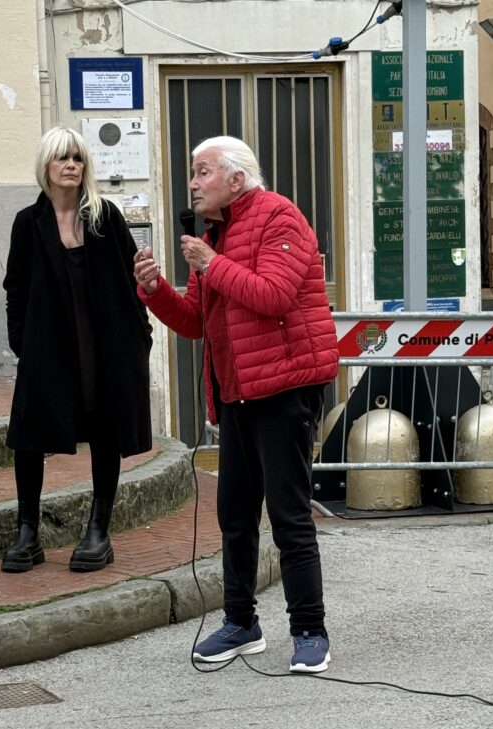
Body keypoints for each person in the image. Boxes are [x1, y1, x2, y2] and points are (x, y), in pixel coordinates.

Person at [134, 136, 339, 672]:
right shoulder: (217, 235)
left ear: (236, 179)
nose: (194, 183)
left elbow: (273, 295)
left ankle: (310, 631)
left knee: (289, 513)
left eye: (203, 173)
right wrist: (155, 290)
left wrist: (209, 262)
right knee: (234, 514)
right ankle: (241, 623)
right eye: (193, 174)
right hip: (236, 393)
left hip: (284, 389)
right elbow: (194, 323)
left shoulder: (280, 218)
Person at [1, 125, 153, 574]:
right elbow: (16, 289)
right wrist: (22, 345)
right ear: (45, 167)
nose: (71, 165)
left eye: (78, 158)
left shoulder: (105, 216)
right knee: (28, 435)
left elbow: (131, 279)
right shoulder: (28, 224)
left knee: (106, 432)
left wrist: (140, 336)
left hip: (105, 348)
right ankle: (28, 532)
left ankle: (98, 531)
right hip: (48, 351)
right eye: (62, 158)